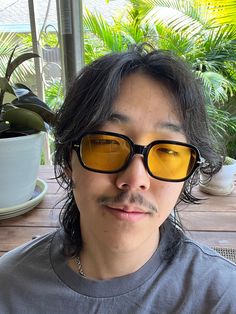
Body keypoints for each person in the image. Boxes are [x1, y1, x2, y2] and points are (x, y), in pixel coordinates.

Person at [0, 45, 235, 314]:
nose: (135, 178)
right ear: (68, 161)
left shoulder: (221, 298)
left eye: (167, 151)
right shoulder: (9, 289)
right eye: (107, 144)